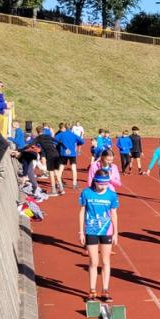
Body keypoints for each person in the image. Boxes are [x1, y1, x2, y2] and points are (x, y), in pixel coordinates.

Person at [78, 170, 119, 303]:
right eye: (101, 183)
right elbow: (82, 212)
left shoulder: (111, 195)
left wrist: (115, 233)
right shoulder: (86, 193)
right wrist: (81, 231)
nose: (103, 186)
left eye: (106, 183)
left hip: (106, 231)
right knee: (93, 261)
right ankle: (92, 290)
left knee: (106, 261)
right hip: (91, 230)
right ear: (95, 181)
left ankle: (105, 290)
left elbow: (114, 214)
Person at [54, 123, 86, 190]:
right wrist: (77, 143)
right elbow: (82, 141)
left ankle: (58, 183)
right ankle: (74, 183)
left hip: (63, 153)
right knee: (73, 168)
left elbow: (54, 141)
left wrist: (59, 144)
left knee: (61, 168)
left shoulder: (61, 134)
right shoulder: (73, 135)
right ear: (71, 128)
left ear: (65, 127)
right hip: (72, 153)